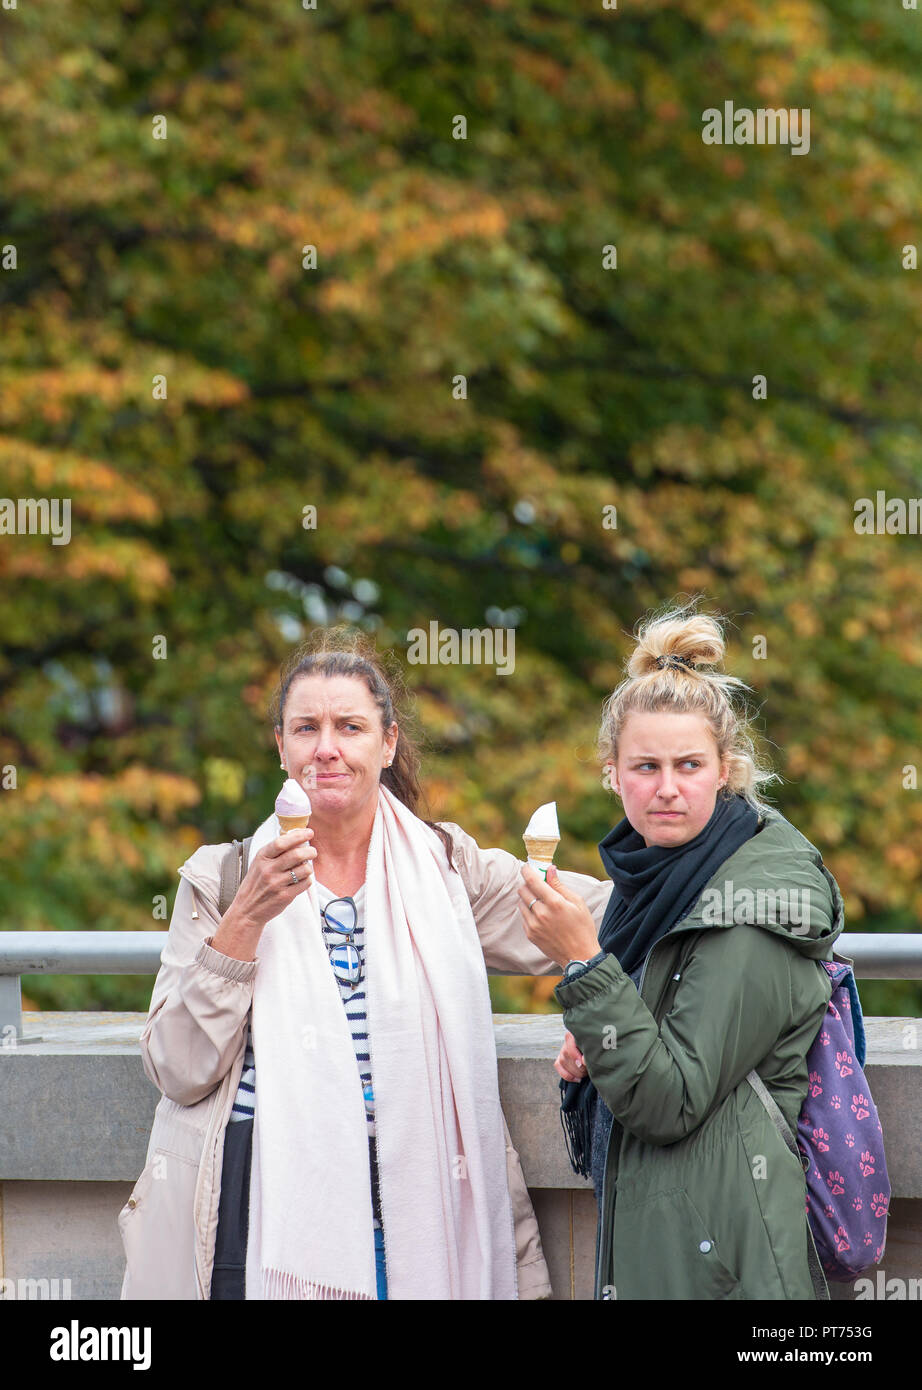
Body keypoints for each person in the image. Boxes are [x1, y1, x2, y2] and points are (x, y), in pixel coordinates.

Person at [118, 632, 611, 1301]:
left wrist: (600, 985)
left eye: (350, 726)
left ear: (386, 744)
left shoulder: (445, 869)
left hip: (424, 1201)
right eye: (306, 728)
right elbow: (177, 1068)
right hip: (266, 1214)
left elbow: (608, 913)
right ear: (281, 746)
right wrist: (245, 921)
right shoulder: (222, 878)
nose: (327, 748)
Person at [517, 603, 844, 1300]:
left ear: (725, 769)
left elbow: (671, 1100)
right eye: (645, 766)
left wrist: (582, 962)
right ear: (612, 773)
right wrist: (597, 1048)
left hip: (724, 1261)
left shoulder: (751, 907)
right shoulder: (659, 880)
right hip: (662, 1242)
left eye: (689, 765)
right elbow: (653, 1041)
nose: (666, 787)